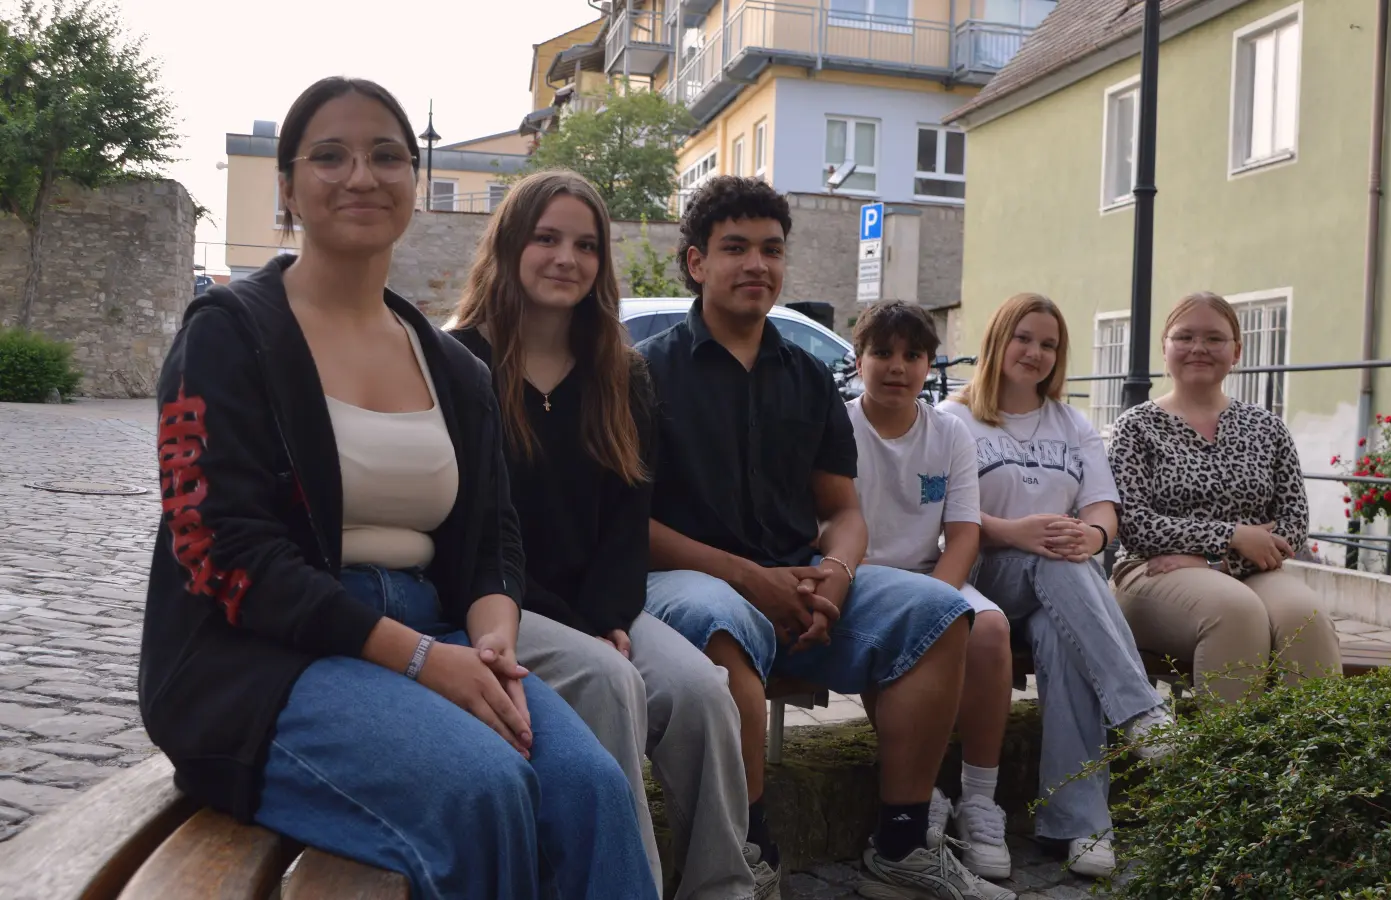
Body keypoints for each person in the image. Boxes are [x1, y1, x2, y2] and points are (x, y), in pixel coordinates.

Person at [138, 77, 655, 900]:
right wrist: (417, 660)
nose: (361, 176)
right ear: (287, 187)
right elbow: (222, 552)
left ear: (414, 183)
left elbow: (492, 539)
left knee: (592, 792)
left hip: (439, 631)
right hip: (263, 660)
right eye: (331, 156)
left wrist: (491, 640)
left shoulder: (453, 366)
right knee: (483, 791)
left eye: (387, 155)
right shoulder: (231, 336)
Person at [639, 176, 1013, 900]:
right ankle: (745, 854)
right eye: (736, 249)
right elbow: (628, 525)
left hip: (802, 577)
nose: (757, 265)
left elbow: (844, 510)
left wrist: (837, 574)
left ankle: (902, 847)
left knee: (938, 614)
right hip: (686, 578)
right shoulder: (647, 373)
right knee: (720, 624)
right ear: (695, 263)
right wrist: (753, 579)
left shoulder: (808, 378)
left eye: (772, 250)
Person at [449, 168, 759, 900]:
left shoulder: (622, 372)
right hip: (498, 606)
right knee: (613, 683)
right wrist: (589, 631)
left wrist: (612, 618)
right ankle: (627, 885)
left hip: (603, 608)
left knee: (701, 694)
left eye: (586, 245)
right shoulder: (461, 364)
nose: (567, 259)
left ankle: (724, 887)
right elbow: (473, 529)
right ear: (510, 244)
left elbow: (629, 519)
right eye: (548, 238)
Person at [937, 292, 1172, 880]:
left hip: (1061, 589)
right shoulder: (954, 417)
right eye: (1024, 338)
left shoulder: (1071, 423)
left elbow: (1101, 509)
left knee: (1065, 631)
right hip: (985, 574)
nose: (1035, 352)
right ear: (997, 341)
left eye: (1049, 344)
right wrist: (1016, 531)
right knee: (1056, 561)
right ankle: (1140, 712)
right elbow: (939, 513)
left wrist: (1091, 537)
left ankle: (1079, 824)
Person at [844, 300, 1015, 880]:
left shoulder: (949, 433)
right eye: (882, 353)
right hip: (857, 576)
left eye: (912, 355)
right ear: (858, 358)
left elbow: (963, 532)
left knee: (988, 627)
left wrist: (939, 600)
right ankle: (926, 793)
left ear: (929, 364)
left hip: (930, 574)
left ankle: (980, 798)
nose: (897, 366)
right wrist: (927, 612)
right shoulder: (838, 426)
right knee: (903, 634)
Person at [1109, 291, 1341, 704]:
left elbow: (1293, 524)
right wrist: (1231, 535)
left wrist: (1215, 561)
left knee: (1306, 619)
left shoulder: (1265, 426)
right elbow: (1137, 526)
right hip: (1151, 573)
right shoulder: (1136, 428)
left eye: (1214, 339)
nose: (1199, 348)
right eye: (1185, 337)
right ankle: (1229, 763)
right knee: (1236, 613)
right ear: (1165, 347)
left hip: (1250, 572)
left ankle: (1312, 760)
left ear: (1236, 351)